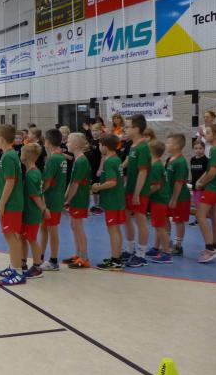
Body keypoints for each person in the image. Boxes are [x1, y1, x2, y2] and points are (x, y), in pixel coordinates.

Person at [0, 124, 25, 285]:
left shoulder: (9, 157)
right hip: (10, 204)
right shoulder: (9, 155)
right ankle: (14, 266)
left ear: (2, 139)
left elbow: (10, 182)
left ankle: (18, 272)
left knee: (12, 236)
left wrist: (1, 204)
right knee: (9, 235)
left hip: (11, 204)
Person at [92, 134, 127, 271]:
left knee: (113, 230)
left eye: (100, 145)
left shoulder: (110, 162)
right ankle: (116, 257)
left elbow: (112, 182)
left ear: (105, 147)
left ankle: (115, 261)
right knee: (116, 229)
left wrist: (98, 187)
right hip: (117, 199)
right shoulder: (117, 159)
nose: (99, 147)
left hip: (112, 201)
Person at [194, 124, 216, 263]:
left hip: (213, 187)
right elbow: (211, 170)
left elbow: (212, 172)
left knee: (200, 215)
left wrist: (202, 183)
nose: (205, 135)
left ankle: (210, 249)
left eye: (208, 132)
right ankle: (215, 247)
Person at [123, 114, 152, 267]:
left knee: (140, 220)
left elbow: (143, 172)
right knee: (126, 217)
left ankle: (141, 255)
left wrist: (137, 193)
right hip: (129, 188)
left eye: (127, 127)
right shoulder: (133, 146)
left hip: (139, 191)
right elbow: (128, 161)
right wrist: (118, 166)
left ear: (137, 129)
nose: (125, 129)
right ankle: (129, 249)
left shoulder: (143, 147)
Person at [63, 133, 91, 269]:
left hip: (79, 199)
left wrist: (67, 199)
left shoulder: (81, 161)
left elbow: (75, 184)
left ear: (76, 144)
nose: (66, 143)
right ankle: (78, 254)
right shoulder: (77, 160)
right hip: (76, 199)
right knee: (74, 226)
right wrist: (66, 197)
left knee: (78, 227)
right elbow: (72, 182)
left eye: (69, 141)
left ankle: (84, 258)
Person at [40, 129, 66, 271]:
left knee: (52, 228)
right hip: (56, 197)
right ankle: (40, 256)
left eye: (45, 140)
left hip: (51, 199)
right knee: (45, 228)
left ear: (48, 142)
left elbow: (47, 182)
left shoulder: (53, 159)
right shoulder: (61, 157)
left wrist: (38, 192)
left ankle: (54, 260)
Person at [20, 143, 47, 280]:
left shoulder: (31, 175)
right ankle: (22, 262)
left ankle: (37, 267)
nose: (20, 155)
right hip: (28, 212)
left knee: (31, 239)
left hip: (32, 213)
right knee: (24, 237)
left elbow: (36, 196)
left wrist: (44, 209)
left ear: (26, 156)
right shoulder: (34, 171)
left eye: (21, 152)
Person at [146, 140, 172, 263]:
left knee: (160, 227)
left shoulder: (155, 166)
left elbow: (156, 186)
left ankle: (167, 253)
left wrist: (144, 194)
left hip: (159, 199)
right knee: (158, 225)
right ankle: (156, 248)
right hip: (159, 199)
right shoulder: (158, 164)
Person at [166, 134, 191, 256]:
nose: (166, 145)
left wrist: (174, 199)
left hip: (180, 197)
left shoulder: (180, 162)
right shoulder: (170, 159)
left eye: (168, 143)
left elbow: (179, 182)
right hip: (169, 196)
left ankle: (178, 245)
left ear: (176, 146)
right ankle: (167, 241)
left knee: (179, 221)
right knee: (167, 219)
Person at [189, 140, 209, 227]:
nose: (198, 150)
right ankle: (198, 219)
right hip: (194, 185)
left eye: (200, 148)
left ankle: (199, 220)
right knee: (197, 203)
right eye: (196, 148)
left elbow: (207, 173)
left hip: (202, 186)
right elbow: (193, 172)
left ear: (204, 149)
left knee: (199, 204)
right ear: (193, 149)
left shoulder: (206, 160)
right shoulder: (192, 159)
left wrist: (202, 183)